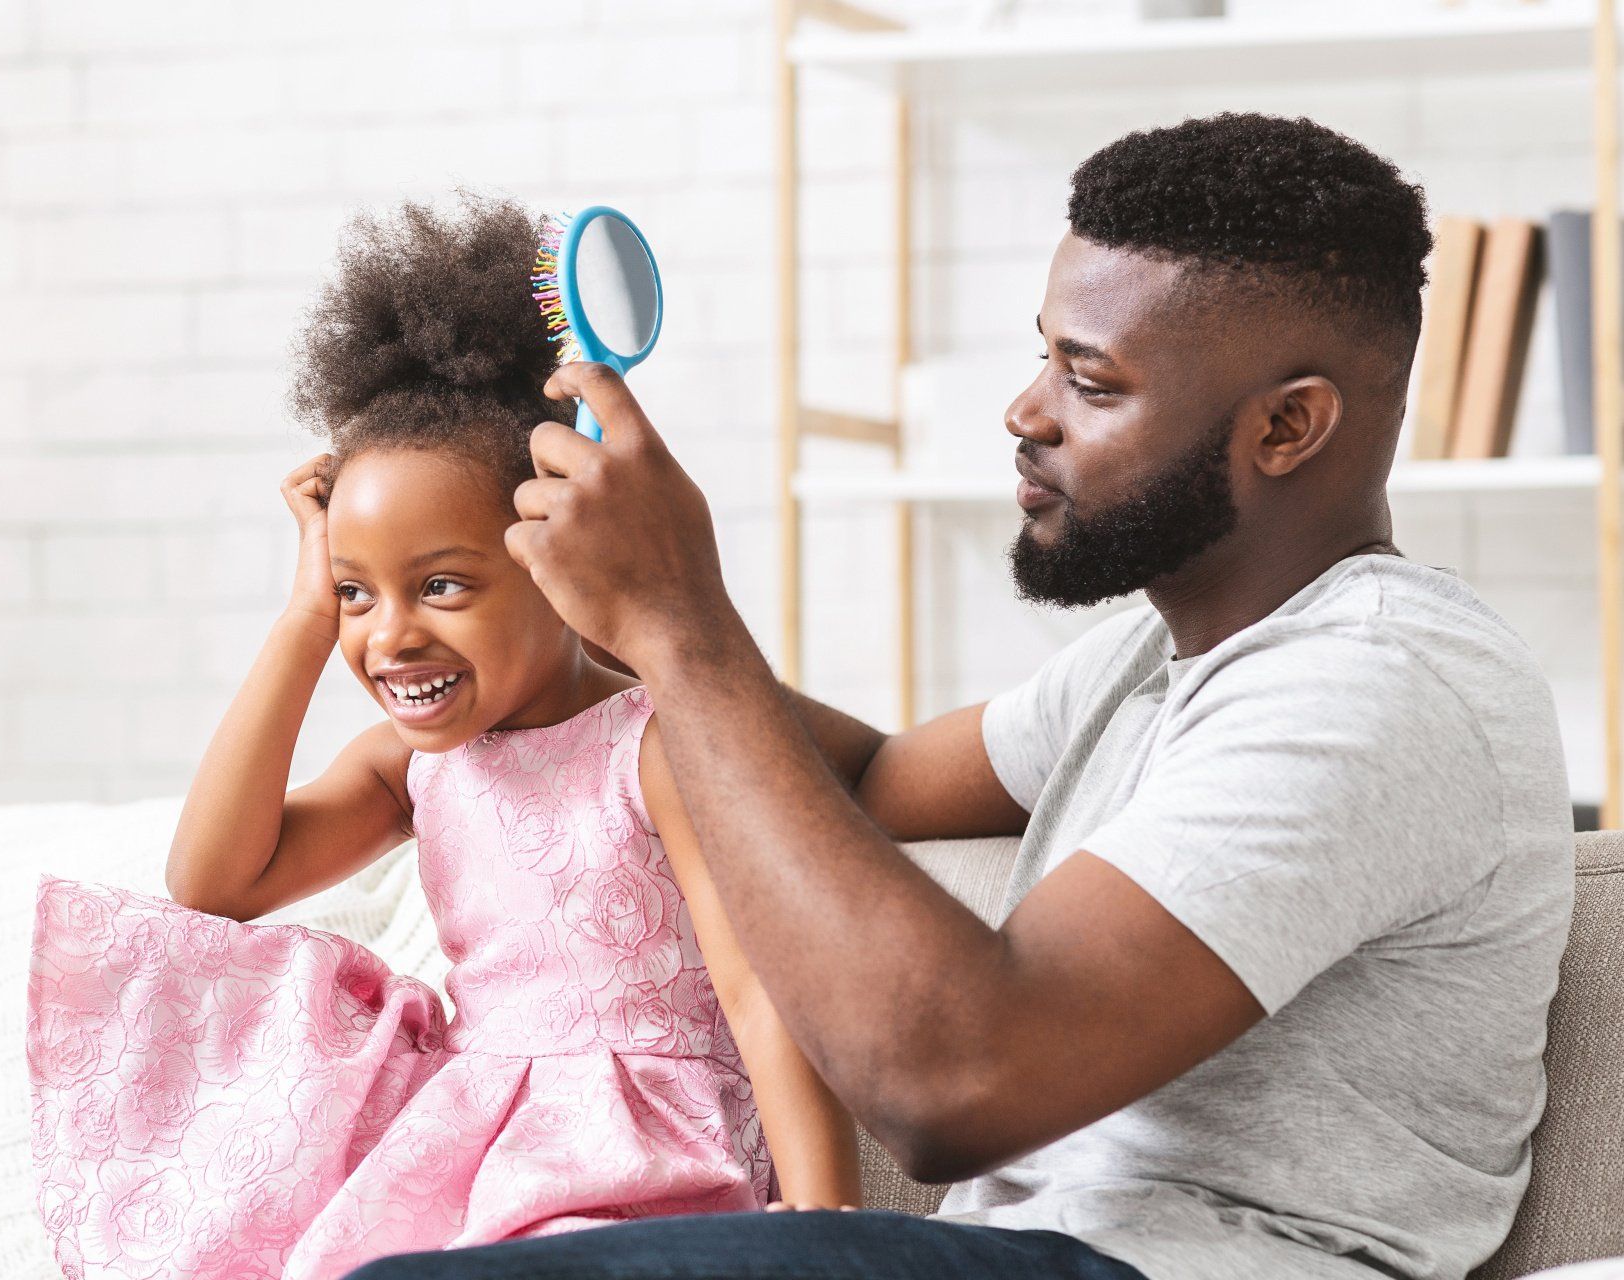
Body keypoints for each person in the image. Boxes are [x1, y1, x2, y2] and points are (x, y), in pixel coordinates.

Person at [350, 113, 1577, 1280]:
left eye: (1090, 381)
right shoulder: (1156, 660)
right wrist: (596, 636)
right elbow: (878, 779)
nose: (1026, 411)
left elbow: (947, 1084)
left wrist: (685, 627)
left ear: (1289, 426)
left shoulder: (1377, 685)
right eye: (1043, 352)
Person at [24, 193, 860, 1280]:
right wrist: (302, 622)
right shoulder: (421, 768)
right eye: (357, 594)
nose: (394, 636)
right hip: (471, 1152)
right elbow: (213, 882)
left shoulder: (651, 744)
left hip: (637, 1151)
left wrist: (831, 1223)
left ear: (556, 557)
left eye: (443, 584)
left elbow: (762, 989)